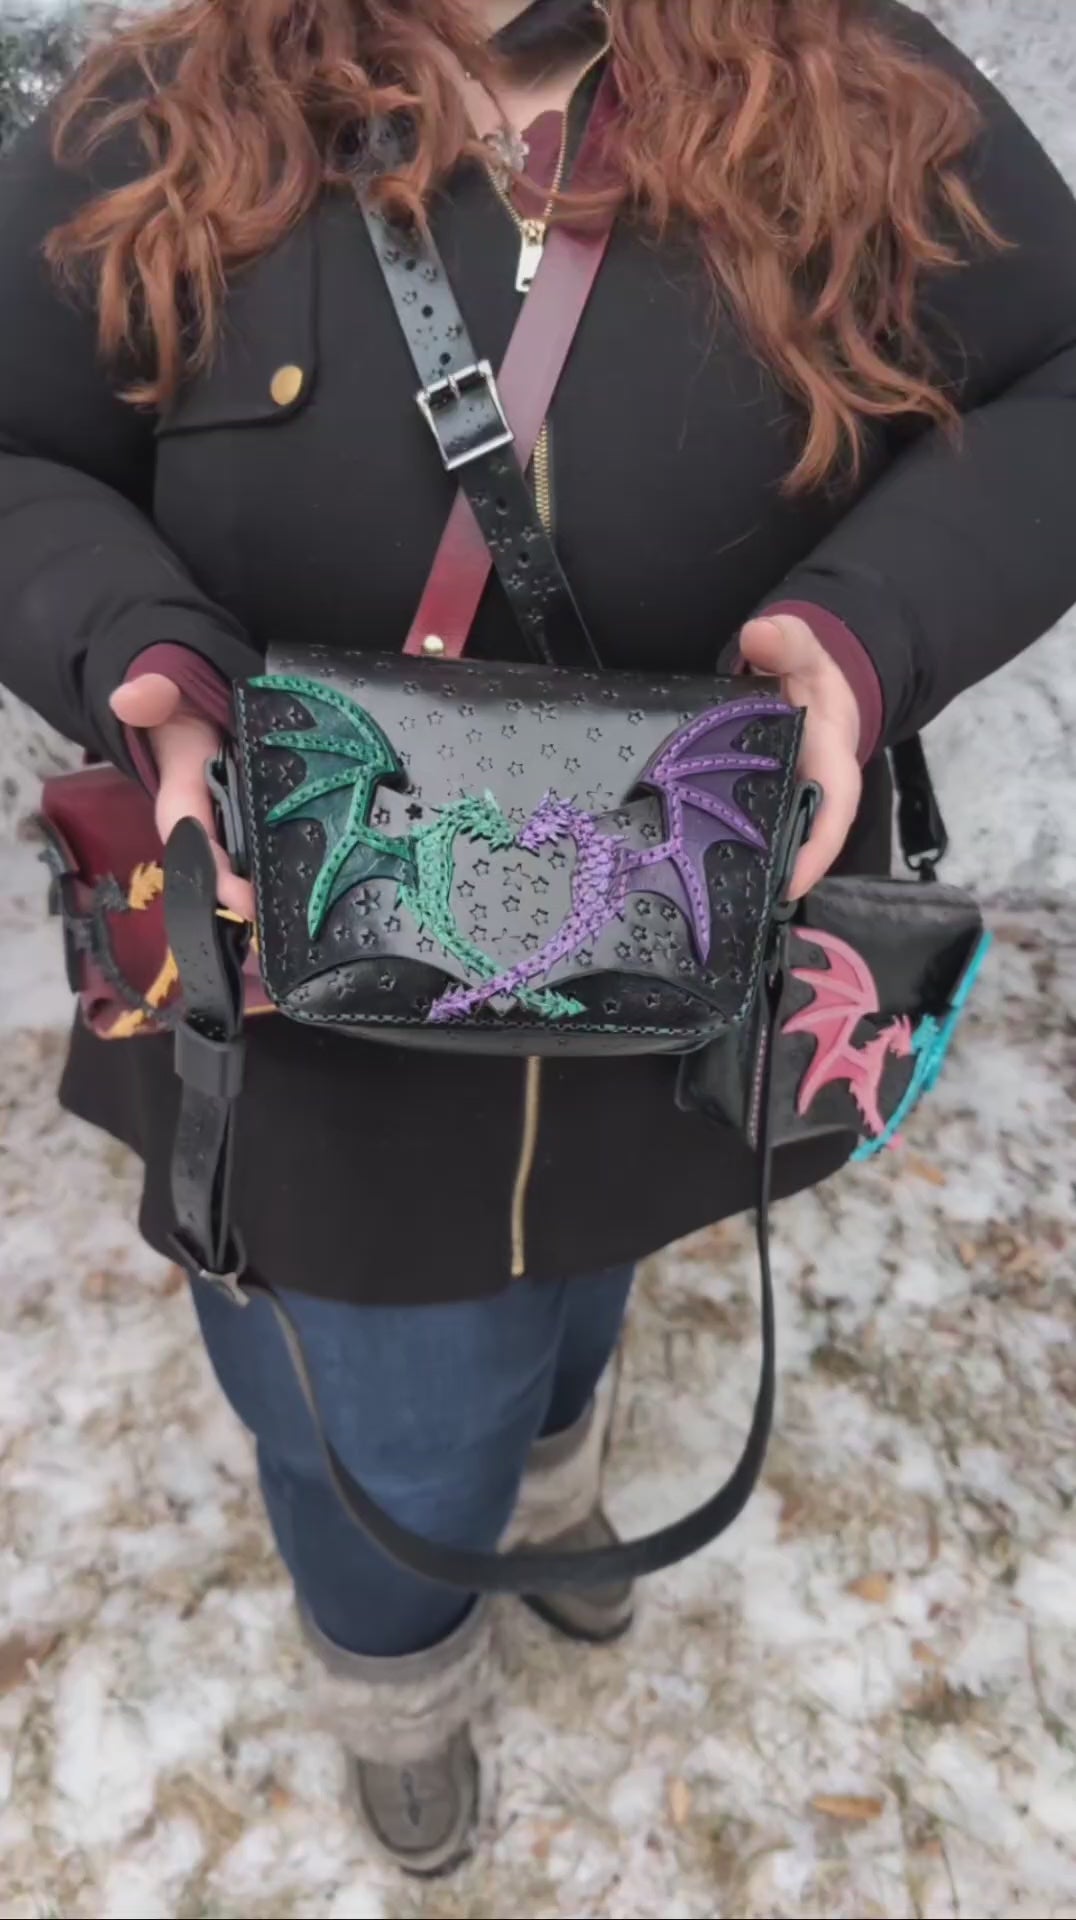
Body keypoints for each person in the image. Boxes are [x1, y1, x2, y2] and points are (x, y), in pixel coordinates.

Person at [1, 0, 1074, 1875]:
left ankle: (561, 1490)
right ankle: (400, 1688)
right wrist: (130, 648)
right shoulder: (164, 112)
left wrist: (865, 635)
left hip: (670, 992)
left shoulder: (849, 77)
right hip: (306, 1048)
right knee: (383, 1444)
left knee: (586, 1306)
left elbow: (1059, 375)